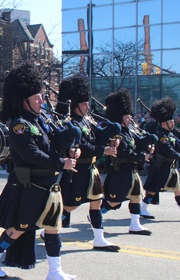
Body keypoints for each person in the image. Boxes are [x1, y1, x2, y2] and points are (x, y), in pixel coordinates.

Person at [0, 62, 79, 280]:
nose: (42, 102)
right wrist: (61, 162)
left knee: (52, 227)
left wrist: (70, 147)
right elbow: (32, 154)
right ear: (23, 100)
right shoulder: (19, 125)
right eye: (37, 98)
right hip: (30, 185)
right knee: (19, 227)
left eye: (42, 97)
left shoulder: (41, 121)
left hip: (49, 183)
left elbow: (53, 143)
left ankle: (55, 271)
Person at [54, 75, 120, 252]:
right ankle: (50, 229)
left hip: (91, 169)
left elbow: (96, 138)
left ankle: (99, 238)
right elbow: (82, 145)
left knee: (96, 201)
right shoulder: (70, 122)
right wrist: (102, 151)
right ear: (74, 105)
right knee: (70, 206)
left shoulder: (87, 120)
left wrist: (110, 138)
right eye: (84, 104)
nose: (87, 107)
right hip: (78, 169)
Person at [102, 89, 152, 235]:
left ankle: (135, 224)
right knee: (114, 201)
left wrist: (148, 143)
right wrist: (143, 157)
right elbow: (125, 153)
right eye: (127, 116)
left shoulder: (129, 132)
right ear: (120, 117)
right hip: (121, 171)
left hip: (131, 171)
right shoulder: (118, 134)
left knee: (136, 197)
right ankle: (96, 214)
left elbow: (135, 146)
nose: (130, 118)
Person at [142, 97, 180, 218]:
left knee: (178, 189)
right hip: (162, 166)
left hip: (171, 167)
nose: (173, 123)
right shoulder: (162, 136)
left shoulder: (170, 134)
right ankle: (142, 208)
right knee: (154, 189)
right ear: (165, 123)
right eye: (171, 121)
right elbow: (170, 152)